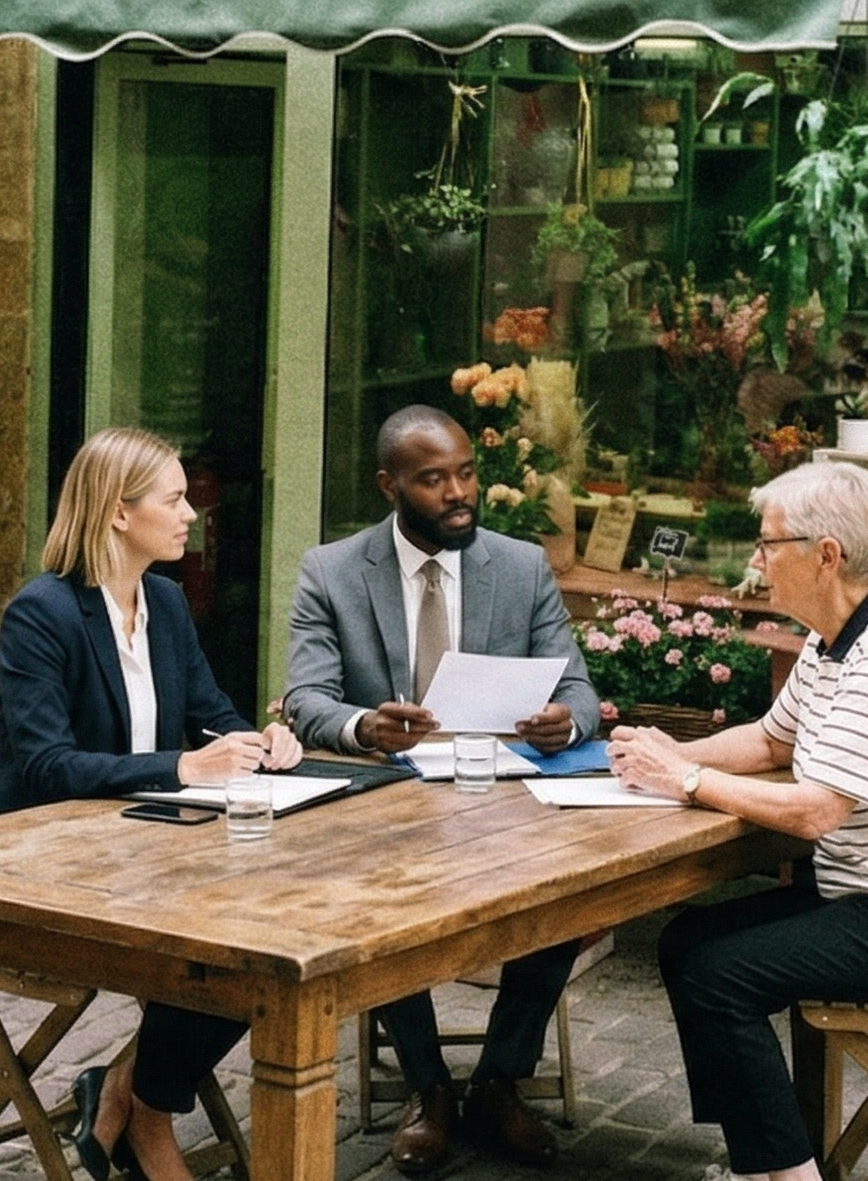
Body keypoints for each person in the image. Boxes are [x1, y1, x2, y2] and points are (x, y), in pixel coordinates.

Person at [607, 462, 868, 1181]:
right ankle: (760, 1157)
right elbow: (770, 739)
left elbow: (817, 809)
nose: (756, 562)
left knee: (715, 974)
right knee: (686, 940)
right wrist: (665, 754)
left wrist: (691, 781)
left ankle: (788, 1174)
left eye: (768, 545)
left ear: (826, 554)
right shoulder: (838, 639)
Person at [0, 427, 303, 1181]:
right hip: (34, 867)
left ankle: (132, 1096)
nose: (192, 513)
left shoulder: (162, 599)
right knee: (226, 942)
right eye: (175, 498)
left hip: (143, 851)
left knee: (267, 929)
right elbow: (46, 764)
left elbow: (210, 711)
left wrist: (258, 742)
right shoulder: (43, 612)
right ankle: (145, 1115)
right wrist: (185, 765)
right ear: (119, 514)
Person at [284, 404, 600, 1174]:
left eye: (465, 473)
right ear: (388, 485)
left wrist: (564, 720)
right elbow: (305, 697)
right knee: (370, 891)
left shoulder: (520, 566)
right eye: (433, 480)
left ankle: (498, 1080)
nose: (459, 492)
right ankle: (427, 1085)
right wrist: (364, 726)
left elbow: (581, 688)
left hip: (504, 797)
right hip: (388, 799)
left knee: (573, 887)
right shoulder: (331, 570)